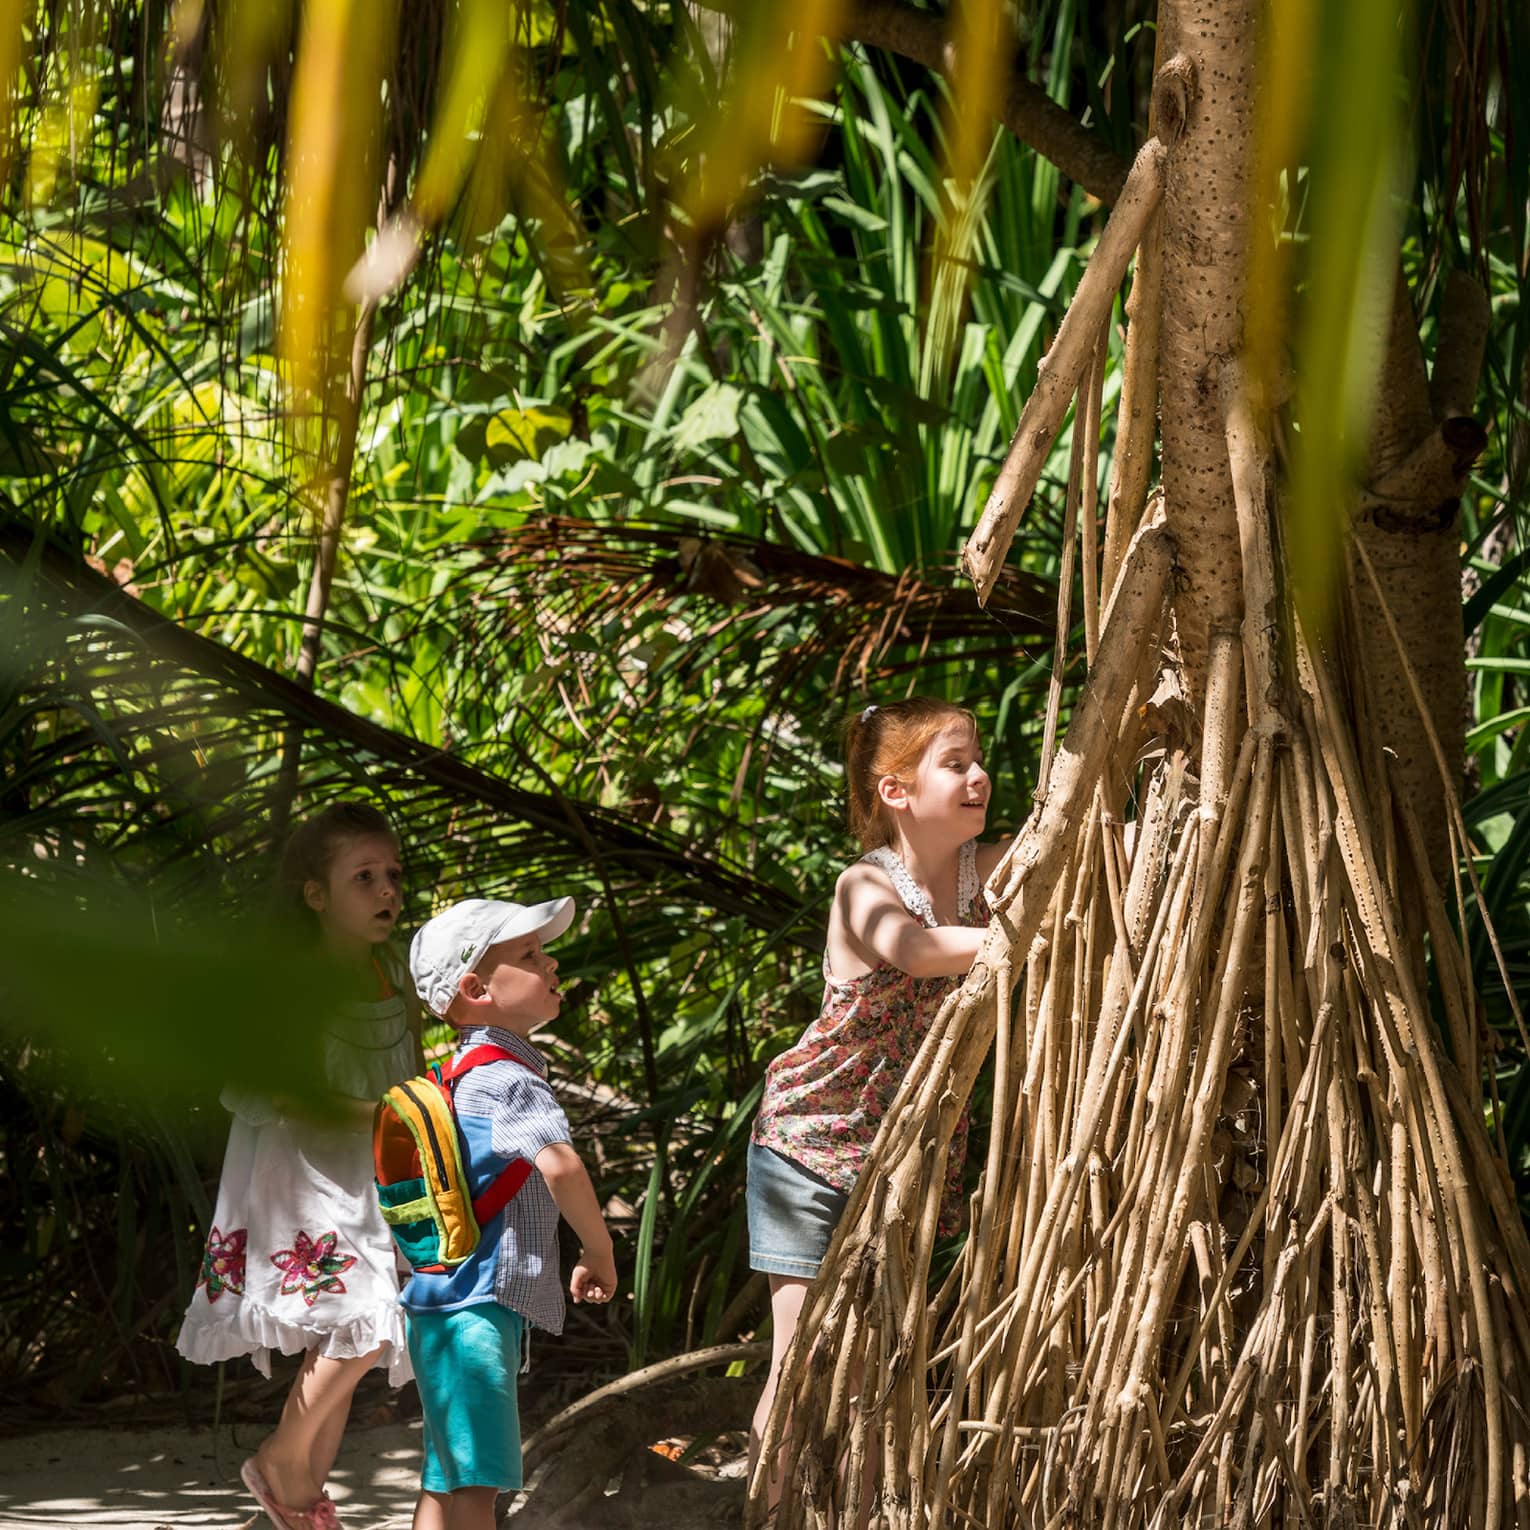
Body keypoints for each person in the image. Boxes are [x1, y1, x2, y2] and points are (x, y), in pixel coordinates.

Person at [746, 697, 1004, 1496]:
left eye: (977, 759)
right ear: (896, 791)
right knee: (800, 1361)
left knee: (870, 1361)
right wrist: (1015, 934)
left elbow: (1089, 849)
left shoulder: (980, 870)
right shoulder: (865, 883)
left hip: (901, 1155)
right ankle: (766, 1508)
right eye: (954, 763)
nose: (978, 775)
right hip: (810, 1145)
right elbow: (916, 950)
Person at [176, 801, 420, 1530]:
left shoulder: (393, 972)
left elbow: (406, 1070)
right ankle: (283, 1461)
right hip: (304, 1176)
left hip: (371, 1175)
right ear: (314, 894)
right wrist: (380, 1115)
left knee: (349, 1332)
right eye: (364, 877)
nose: (387, 891)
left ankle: (294, 1499)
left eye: (393, 875)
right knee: (369, 1320)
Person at [402, 896, 618, 1530]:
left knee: (448, 1481)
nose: (550, 963)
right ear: (475, 989)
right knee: (477, 1489)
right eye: (528, 955)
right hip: (475, 1310)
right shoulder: (511, 1080)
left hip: (438, 1305)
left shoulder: (459, 1071)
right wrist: (598, 1248)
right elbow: (562, 1166)